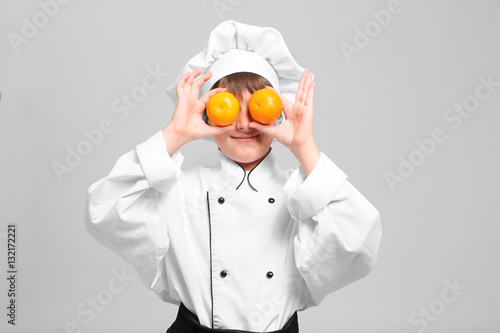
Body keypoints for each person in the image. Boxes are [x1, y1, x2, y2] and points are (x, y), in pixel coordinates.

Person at [84, 20, 382, 333]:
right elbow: (104, 208)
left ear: (278, 112)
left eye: (256, 108)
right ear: (209, 113)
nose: (243, 124)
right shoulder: (182, 189)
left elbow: (358, 241)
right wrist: (175, 134)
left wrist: (304, 146)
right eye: (228, 107)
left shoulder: (303, 194)